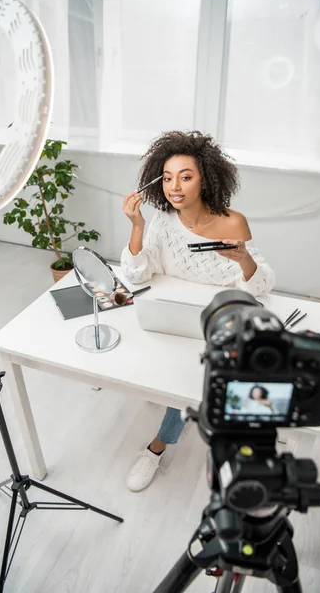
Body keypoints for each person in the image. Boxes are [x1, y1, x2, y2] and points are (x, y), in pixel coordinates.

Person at [121, 130, 275, 492]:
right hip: (173, 321)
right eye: (169, 177)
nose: (175, 187)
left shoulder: (233, 222)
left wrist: (245, 259)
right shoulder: (160, 221)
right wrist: (138, 226)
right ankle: (168, 433)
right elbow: (136, 273)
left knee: (203, 378)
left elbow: (262, 284)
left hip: (219, 324)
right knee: (174, 376)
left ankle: (168, 446)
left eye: (186, 177)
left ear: (205, 178)